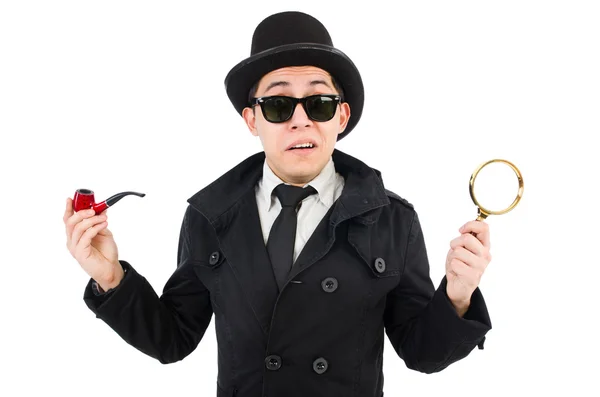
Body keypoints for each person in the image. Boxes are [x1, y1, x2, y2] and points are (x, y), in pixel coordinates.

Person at [63, 11, 492, 397]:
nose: (300, 119)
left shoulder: (393, 220)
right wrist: (112, 278)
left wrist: (457, 295)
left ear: (340, 117)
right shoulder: (209, 217)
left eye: (319, 103)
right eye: (279, 104)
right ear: (253, 120)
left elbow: (423, 354)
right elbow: (172, 338)